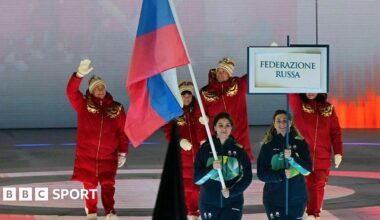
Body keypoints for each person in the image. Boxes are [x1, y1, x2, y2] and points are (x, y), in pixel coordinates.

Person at [66, 59, 129, 220]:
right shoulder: (83, 105)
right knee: (90, 185)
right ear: (91, 90)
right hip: (87, 155)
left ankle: (110, 212)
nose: (100, 90)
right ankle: (92, 212)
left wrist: (123, 152)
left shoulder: (117, 108)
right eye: (97, 88)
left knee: (108, 185)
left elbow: (123, 132)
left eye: (102, 87)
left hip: (108, 156)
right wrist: (78, 75)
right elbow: (71, 92)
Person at [289, 93, 343, 220]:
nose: (310, 92)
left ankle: (314, 214)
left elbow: (335, 132)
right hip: (303, 155)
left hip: (323, 155)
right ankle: (310, 212)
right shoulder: (298, 105)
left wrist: (338, 151)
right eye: (307, 88)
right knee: (307, 184)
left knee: (319, 184)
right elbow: (291, 91)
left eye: (314, 88)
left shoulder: (328, 108)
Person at [194, 112, 252, 220]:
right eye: (220, 125)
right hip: (208, 203)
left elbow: (248, 177)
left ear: (231, 128)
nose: (224, 128)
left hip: (233, 202)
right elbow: (197, 179)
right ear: (215, 127)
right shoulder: (205, 150)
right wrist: (211, 168)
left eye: (227, 125)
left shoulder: (239, 151)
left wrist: (232, 192)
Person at [257, 109, 312, 220]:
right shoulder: (267, 146)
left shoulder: (300, 143)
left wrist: (293, 158)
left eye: (285, 121)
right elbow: (261, 174)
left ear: (290, 123)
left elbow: (307, 170)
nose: (282, 124)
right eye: (278, 121)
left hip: (297, 198)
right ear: (274, 124)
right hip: (274, 199)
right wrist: (280, 174)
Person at [198, 57, 254, 161]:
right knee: (218, 170)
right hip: (216, 139)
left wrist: (266, 58)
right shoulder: (205, 92)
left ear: (229, 73)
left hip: (238, 137)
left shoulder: (239, 85)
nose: (220, 73)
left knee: (240, 170)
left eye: (224, 71)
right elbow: (198, 117)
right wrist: (202, 138)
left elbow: (254, 73)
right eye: (218, 70)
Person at [164, 81, 203, 220]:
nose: (186, 98)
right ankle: (188, 212)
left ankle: (196, 213)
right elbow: (168, 132)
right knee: (186, 186)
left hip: (199, 155)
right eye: (183, 95)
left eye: (189, 95)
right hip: (183, 156)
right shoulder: (174, 113)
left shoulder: (199, 110)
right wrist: (179, 141)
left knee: (198, 186)